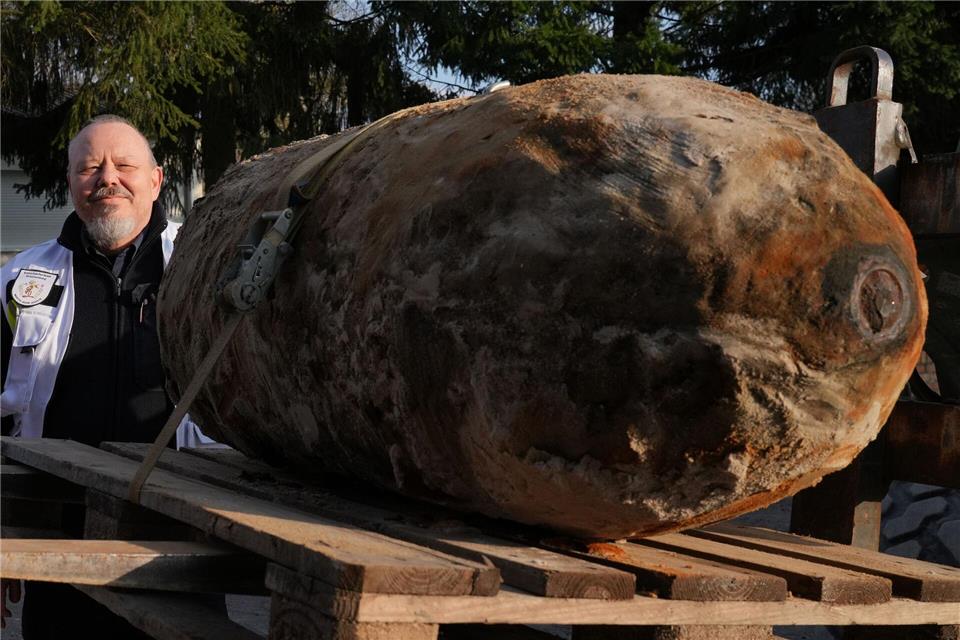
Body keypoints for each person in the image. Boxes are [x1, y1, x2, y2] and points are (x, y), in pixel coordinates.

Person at [1, 114, 210, 637]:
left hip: (185, 537)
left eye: (124, 165)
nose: (106, 178)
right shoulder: (20, 279)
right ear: (71, 183)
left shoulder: (202, 267)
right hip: (56, 543)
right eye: (89, 167)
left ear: (157, 180)